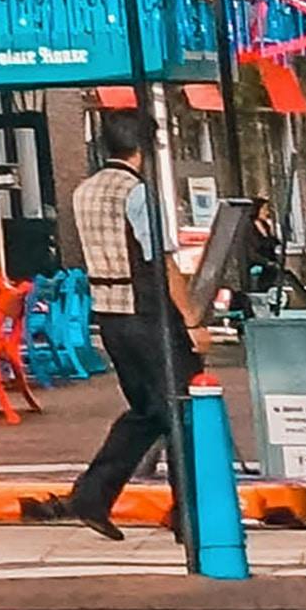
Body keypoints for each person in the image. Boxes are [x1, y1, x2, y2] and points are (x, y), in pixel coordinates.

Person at [50, 123, 198, 545]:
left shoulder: (85, 191)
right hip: (147, 310)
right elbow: (161, 260)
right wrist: (190, 319)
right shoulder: (137, 193)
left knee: (149, 409)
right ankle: (189, 513)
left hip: (109, 314)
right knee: (181, 407)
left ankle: (92, 495)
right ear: (143, 148)